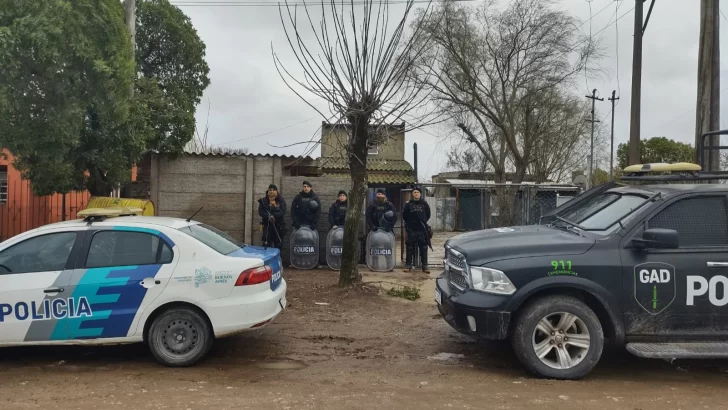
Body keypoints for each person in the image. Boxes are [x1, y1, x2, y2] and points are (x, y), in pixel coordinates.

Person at [402, 186, 431, 272]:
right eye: (414, 192)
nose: (416, 194)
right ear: (412, 194)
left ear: (420, 194)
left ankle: (425, 266)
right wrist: (410, 223)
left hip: (422, 229)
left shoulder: (424, 204)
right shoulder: (408, 204)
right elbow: (404, 215)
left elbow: (428, 215)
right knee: (410, 247)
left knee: (424, 247)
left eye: (417, 192)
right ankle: (408, 265)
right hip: (412, 229)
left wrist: (423, 221)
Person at [258, 184, 287, 250]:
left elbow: (282, 211)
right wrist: (268, 216)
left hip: (278, 226)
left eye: (273, 190)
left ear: (277, 191)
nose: (272, 192)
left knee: (279, 244)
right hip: (267, 226)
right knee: (266, 244)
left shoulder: (281, 201)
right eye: (270, 190)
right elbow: (261, 212)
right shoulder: (264, 201)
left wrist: (274, 216)